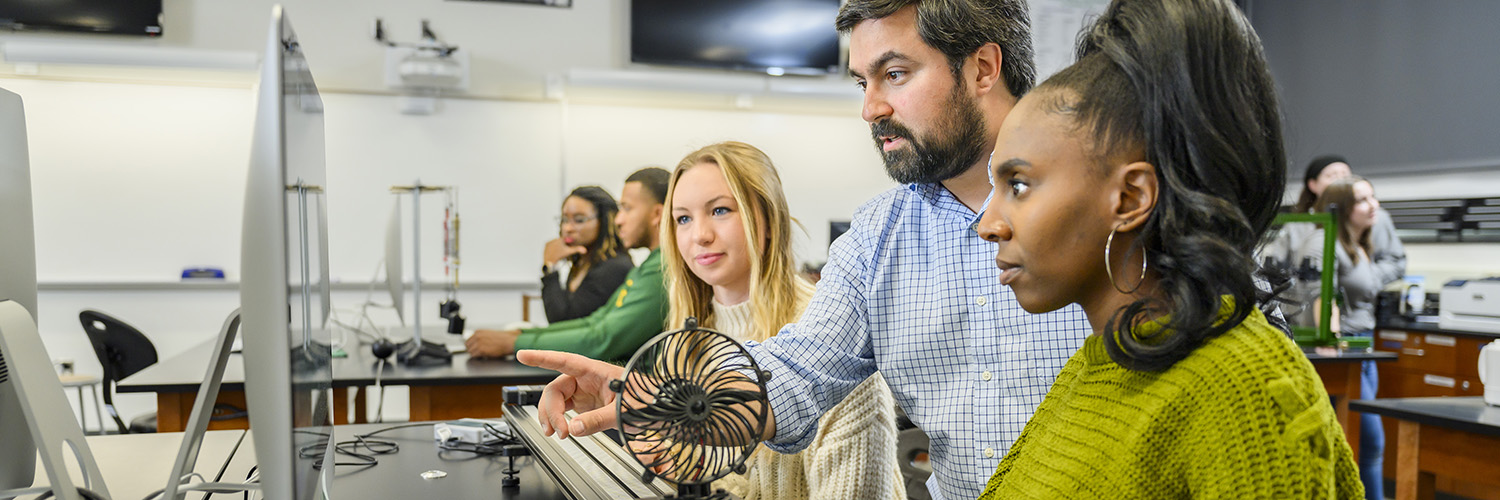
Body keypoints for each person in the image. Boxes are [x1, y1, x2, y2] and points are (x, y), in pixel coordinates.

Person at [516, 2, 1278, 498]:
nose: (871, 107)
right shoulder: (883, 238)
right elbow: (797, 372)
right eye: (862, 80)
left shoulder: (1114, 213)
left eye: (895, 73)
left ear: (983, 66)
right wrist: (654, 399)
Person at [975, 0, 1361, 497]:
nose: (989, 224)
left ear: (1131, 198)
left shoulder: (1242, 390)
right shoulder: (1099, 366)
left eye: (1019, 185)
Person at [661, 141, 904, 500]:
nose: (699, 235)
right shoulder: (684, 344)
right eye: (683, 218)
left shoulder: (831, 336)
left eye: (720, 211)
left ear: (769, 220)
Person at [467, 168, 670, 362]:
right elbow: (595, 322)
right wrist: (524, 334)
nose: (619, 219)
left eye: (626, 208)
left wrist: (515, 342)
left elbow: (601, 338)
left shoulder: (657, 269)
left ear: (656, 214)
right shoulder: (647, 266)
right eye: (564, 220)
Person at [1315, 176, 1389, 500]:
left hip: (1366, 343)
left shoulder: (1362, 244)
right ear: (1342, 208)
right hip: (1345, 348)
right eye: (1362, 200)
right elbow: (1323, 295)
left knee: (1367, 442)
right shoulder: (1327, 242)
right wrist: (1330, 342)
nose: (1373, 205)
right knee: (1369, 440)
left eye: (1373, 197)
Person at [1294, 155, 1406, 287]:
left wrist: (1368, 278)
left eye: (1345, 174)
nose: (1340, 179)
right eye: (1332, 175)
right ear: (1313, 185)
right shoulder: (1316, 235)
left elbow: (1395, 262)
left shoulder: (1375, 220)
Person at [539, 186, 634, 323]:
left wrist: (550, 267)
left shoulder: (614, 267)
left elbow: (563, 323)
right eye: (565, 220)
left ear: (604, 221)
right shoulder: (583, 262)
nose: (568, 228)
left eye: (579, 220)